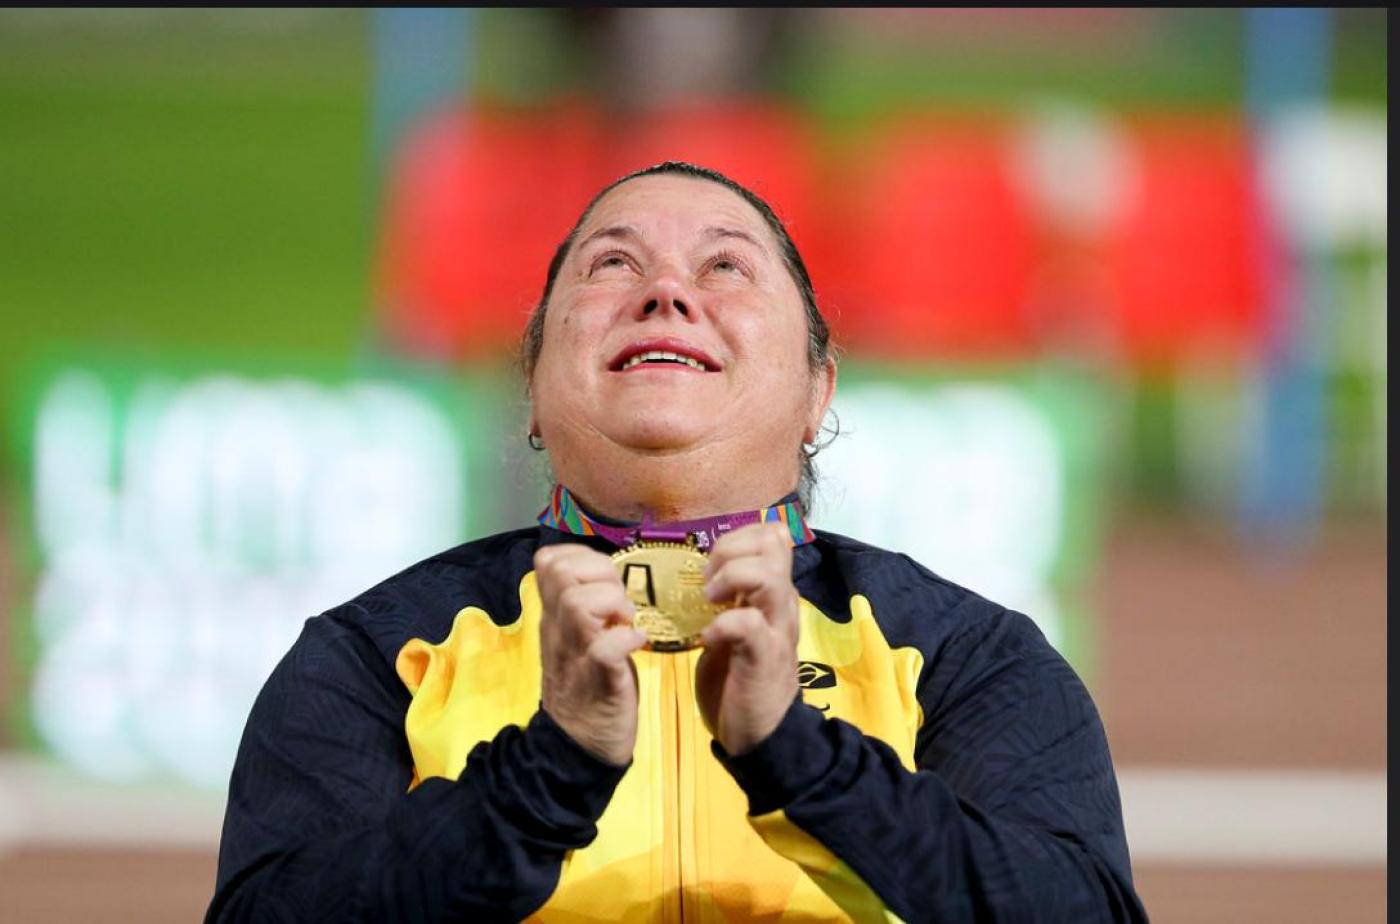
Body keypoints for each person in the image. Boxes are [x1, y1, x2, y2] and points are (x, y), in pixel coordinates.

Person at [208, 161, 1148, 922]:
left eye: (725, 268)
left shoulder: (962, 655)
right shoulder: (380, 654)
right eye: (611, 264)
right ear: (532, 387)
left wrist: (799, 757)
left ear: (819, 390)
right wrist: (552, 768)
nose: (664, 292)